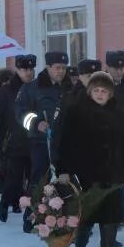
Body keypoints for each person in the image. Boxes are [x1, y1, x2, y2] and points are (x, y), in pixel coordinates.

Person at [53, 71, 124, 247]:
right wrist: (64, 169)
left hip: (113, 173)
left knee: (113, 217)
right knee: (88, 213)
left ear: (110, 93)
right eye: (96, 90)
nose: (100, 94)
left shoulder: (118, 113)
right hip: (87, 172)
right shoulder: (76, 112)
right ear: (89, 92)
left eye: (104, 91)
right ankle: (80, 245)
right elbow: (64, 143)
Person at [16, 51, 72, 230]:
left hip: (64, 143)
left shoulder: (70, 87)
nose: (61, 71)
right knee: (39, 179)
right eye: (57, 68)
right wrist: (36, 122)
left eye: (64, 68)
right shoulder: (31, 88)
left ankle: (64, 218)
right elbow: (20, 113)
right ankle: (31, 215)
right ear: (48, 67)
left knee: (64, 180)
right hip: (41, 142)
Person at [0, 55, 35, 222]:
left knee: (34, 181)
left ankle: (30, 213)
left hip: (34, 142)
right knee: (13, 179)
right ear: (18, 70)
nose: (28, 73)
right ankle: (4, 203)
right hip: (13, 142)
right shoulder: (7, 90)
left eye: (31, 69)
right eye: (24, 70)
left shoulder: (36, 87)